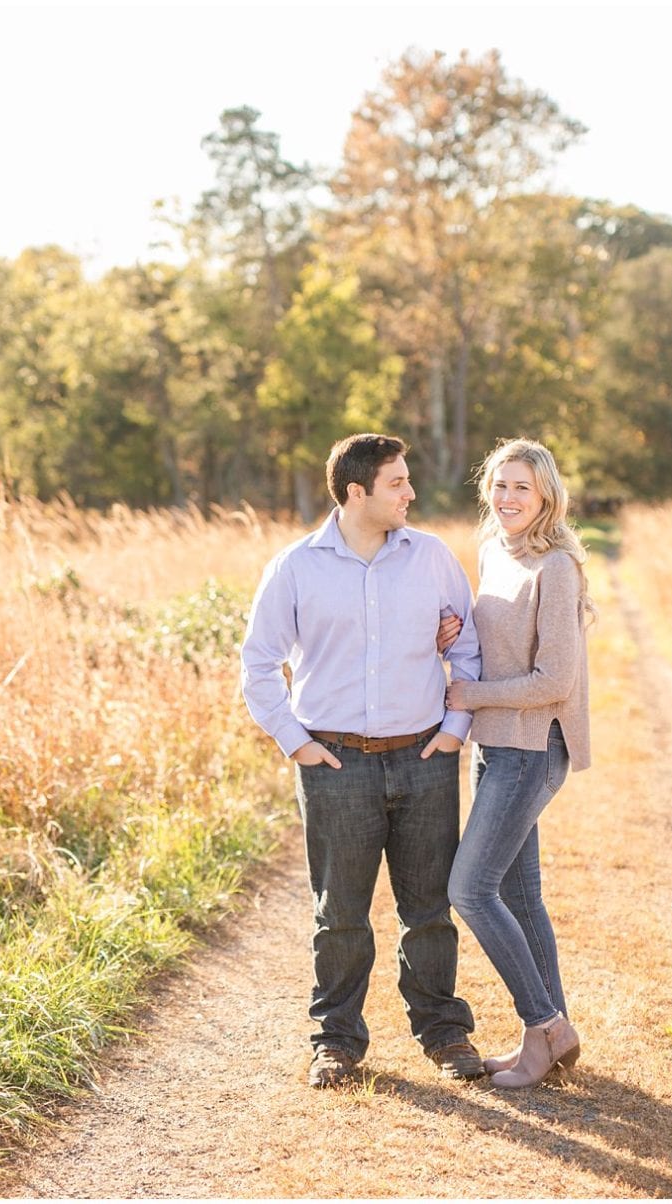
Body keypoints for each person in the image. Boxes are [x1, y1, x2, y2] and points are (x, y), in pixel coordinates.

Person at [240, 433, 487, 1088]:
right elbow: (259, 664)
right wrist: (296, 743)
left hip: (425, 756)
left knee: (429, 908)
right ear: (357, 492)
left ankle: (444, 1033)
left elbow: (468, 651)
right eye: (398, 483)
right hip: (335, 764)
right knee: (340, 911)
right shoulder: (296, 567)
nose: (411, 493)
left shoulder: (432, 558)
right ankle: (337, 1042)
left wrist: (456, 730)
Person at [441, 437, 594, 1088]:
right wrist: (453, 635)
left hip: (533, 748)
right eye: (500, 486)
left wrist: (470, 695)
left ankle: (544, 1027)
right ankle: (554, 1035)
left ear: (546, 497)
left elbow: (555, 678)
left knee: (470, 890)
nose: (508, 498)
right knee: (519, 894)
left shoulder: (556, 566)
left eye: (521, 488)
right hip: (495, 742)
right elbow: (496, 638)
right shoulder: (492, 551)